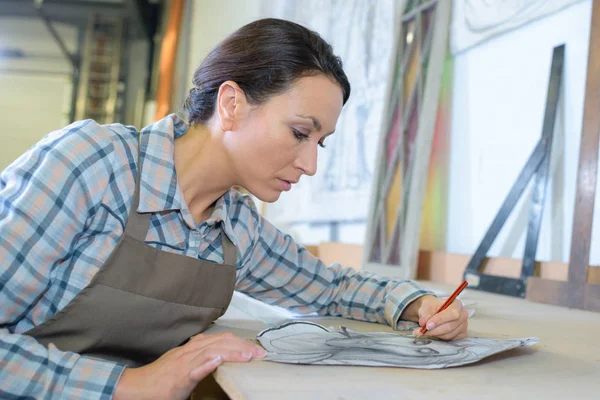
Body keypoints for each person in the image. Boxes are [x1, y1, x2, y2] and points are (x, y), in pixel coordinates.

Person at [0, 18, 468, 399]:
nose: (309, 164)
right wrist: (128, 384)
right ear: (231, 104)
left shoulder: (235, 224)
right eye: (300, 133)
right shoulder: (93, 164)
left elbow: (328, 289)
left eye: (321, 142)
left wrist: (416, 304)